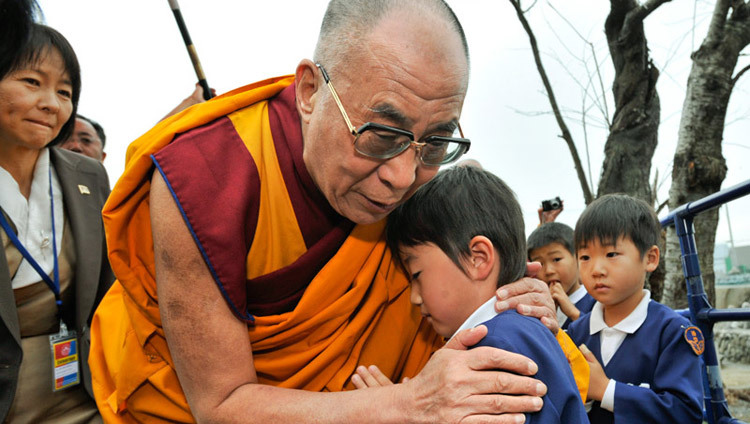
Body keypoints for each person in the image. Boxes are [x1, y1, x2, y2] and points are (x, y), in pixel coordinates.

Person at [88, 1, 562, 423]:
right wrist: (405, 405)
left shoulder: (420, 176)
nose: (401, 176)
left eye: (436, 142)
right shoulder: (204, 176)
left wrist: (508, 292)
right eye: (381, 134)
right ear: (310, 92)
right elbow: (222, 403)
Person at [352, 166, 588, 423]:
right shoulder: (517, 331)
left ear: (478, 258)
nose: (414, 298)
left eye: (417, 275)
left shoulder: (494, 347)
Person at [0, 23, 114, 422]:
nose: (52, 103)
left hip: (82, 393)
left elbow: (107, 291)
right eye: (32, 81)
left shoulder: (88, 176)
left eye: (64, 91)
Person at [566, 194, 703, 423]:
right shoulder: (576, 333)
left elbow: (685, 412)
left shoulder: (672, 332)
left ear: (650, 258)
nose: (596, 269)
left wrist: (606, 390)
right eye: (585, 256)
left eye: (611, 254)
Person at [528, 222, 594, 330]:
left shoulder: (597, 302)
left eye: (556, 259)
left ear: (578, 256)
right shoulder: (536, 307)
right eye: (540, 264)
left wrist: (573, 313)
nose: (549, 271)